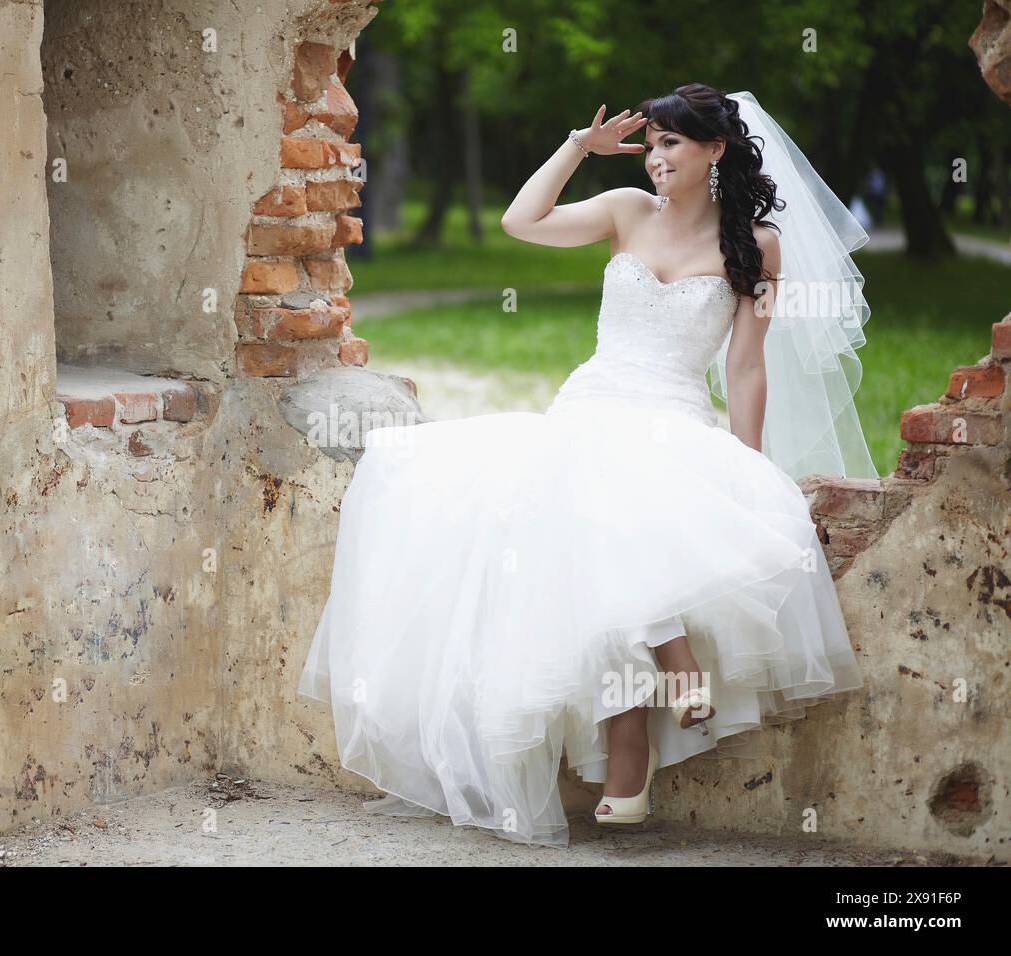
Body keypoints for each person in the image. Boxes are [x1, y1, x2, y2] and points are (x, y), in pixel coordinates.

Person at [297, 83, 874, 848]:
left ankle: (631, 751)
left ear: (715, 152)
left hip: (671, 415)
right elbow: (520, 221)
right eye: (654, 142)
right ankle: (667, 677)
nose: (658, 156)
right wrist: (577, 148)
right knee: (577, 503)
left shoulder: (757, 245)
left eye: (674, 142)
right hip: (592, 403)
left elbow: (745, 368)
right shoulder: (627, 210)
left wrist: (748, 464)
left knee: (603, 514)